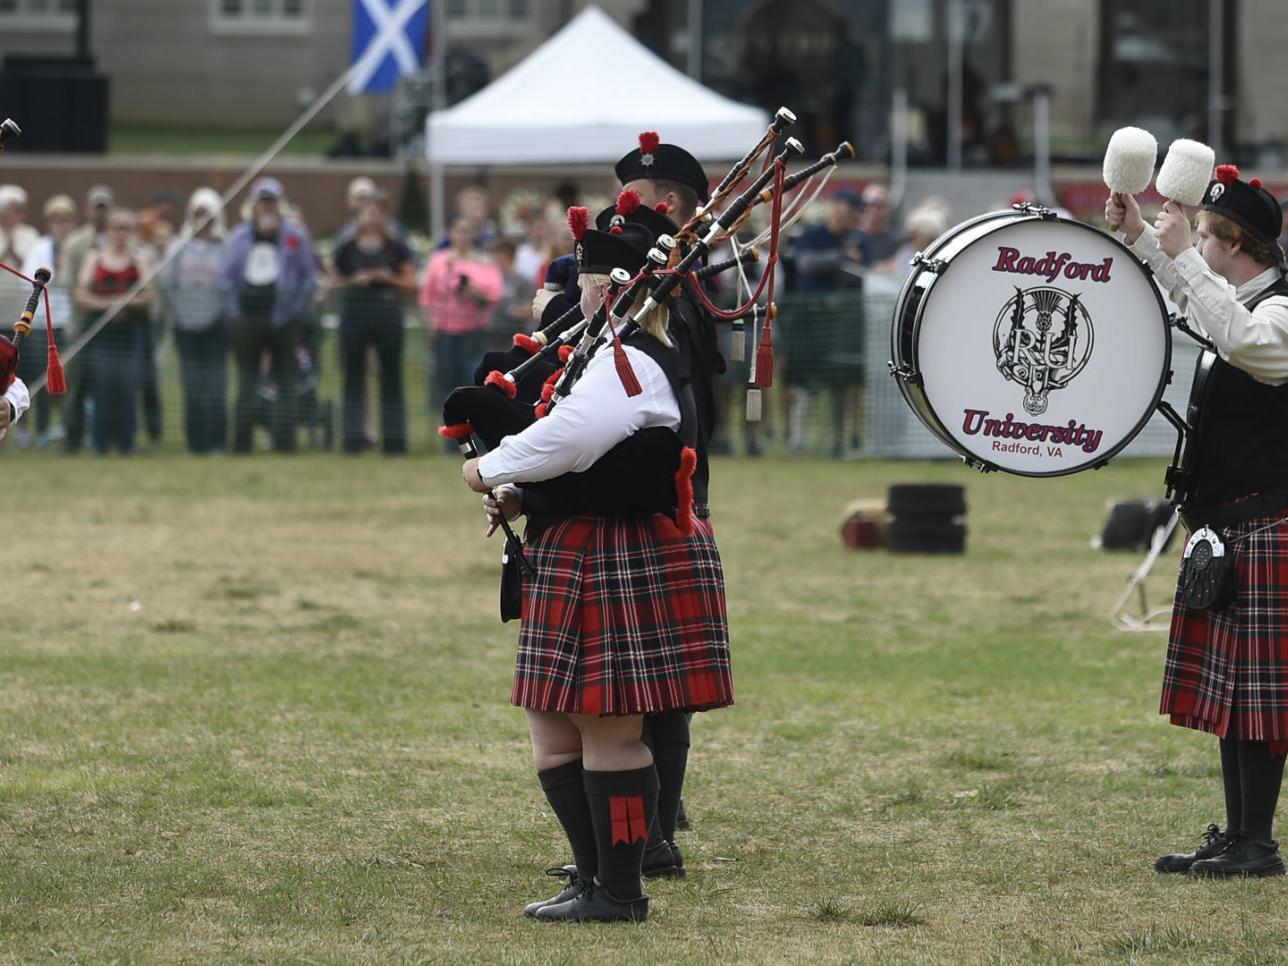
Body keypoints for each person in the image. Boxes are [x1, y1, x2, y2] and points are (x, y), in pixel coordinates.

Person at [461, 212, 733, 922]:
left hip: (617, 554)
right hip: (582, 548)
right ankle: (593, 877)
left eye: (581, 284)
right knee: (552, 726)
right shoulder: (610, 352)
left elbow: (571, 439)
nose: (572, 299)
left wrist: (488, 469)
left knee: (607, 725)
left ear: (609, 290)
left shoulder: (634, 359)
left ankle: (621, 888)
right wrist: (521, 494)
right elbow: (588, 460)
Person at [1107, 164, 1288, 878]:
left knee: (1261, 702)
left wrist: (1175, 251)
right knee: (1235, 699)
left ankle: (1259, 845)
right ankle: (1241, 835)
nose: (1201, 246)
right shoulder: (1234, 301)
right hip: (1226, 522)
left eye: (1210, 236)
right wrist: (1146, 240)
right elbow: (1199, 302)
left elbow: (1245, 342)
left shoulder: (1276, 313)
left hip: (1268, 521)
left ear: (1239, 244)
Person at [220, 176, 317, 453]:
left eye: (272, 202)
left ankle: (285, 443)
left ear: (280, 204)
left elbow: (308, 278)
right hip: (247, 320)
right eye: (262, 202)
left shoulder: (295, 236)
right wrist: (236, 312)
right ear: (254, 205)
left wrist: (295, 309)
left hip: (285, 321)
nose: (267, 208)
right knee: (247, 382)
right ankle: (241, 444)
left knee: (287, 382)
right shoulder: (239, 237)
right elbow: (226, 279)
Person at [332, 194, 416, 454]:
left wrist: (389, 278)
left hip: (387, 318)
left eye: (378, 212)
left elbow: (411, 282)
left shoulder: (396, 247)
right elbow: (333, 281)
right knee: (353, 378)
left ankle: (394, 442)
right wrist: (355, 279)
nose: (373, 217)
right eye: (368, 212)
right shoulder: (346, 247)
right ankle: (352, 440)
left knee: (391, 378)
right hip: (355, 317)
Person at [75, 207, 155, 456]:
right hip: (101, 334)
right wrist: (107, 305)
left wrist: (125, 304)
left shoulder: (139, 260)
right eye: (117, 227)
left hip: (129, 334)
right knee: (103, 387)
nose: (122, 233)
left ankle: (127, 443)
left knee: (128, 386)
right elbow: (80, 294)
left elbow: (150, 294)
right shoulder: (95, 258)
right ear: (108, 231)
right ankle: (100, 444)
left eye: (127, 228)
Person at [420, 216, 502, 446]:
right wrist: (432, 325)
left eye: (468, 231)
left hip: (474, 331)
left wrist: (473, 292)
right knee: (447, 385)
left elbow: (494, 297)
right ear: (451, 234)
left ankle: (481, 436)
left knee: (474, 383)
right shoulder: (440, 262)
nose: (463, 236)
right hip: (445, 331)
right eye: (459, 231)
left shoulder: (484, 263)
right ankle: (452, 439)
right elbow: (428, 296)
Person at [160, 187, 229, 455]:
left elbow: (229, 284)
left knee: (215, 387)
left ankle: (217, 443)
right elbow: (167, 284)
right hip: (186, 327)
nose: (203, 219)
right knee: (192, 387)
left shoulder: (225, 245)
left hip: (216, 328)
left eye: (208, 214)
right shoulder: (179, 246)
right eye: (198, 213)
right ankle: (195, 444)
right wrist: (179, 310)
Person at [16, 194, 77, 446]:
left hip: (69, 323)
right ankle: (40, 429)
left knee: (68, 379)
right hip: (42, 324)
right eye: (57, 220)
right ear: (49, 223)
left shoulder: (76, 245)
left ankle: (66, 427)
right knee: (40, 378)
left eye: (66, 220)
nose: (62, 225)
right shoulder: (40, 248)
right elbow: (25, 281)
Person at [59, 184, 115, 453]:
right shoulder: (76, 243)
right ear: (88, 210)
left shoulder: (122, 239)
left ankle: (106, 442)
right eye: (96, 207)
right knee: (77, 386)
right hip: (82, 324)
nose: (100, 213)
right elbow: (68, 285)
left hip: (116, 327)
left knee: (110, 384)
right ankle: (72, 442)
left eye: (105, 208)